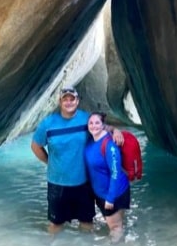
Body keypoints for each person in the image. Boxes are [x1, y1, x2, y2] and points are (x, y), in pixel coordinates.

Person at [31, 86, 122, 234]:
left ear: (77, 101)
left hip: (83, 183)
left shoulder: (86, 119)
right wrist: (49, 162)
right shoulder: (48, 123)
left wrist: (116, 130)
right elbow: (36, 146)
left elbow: (103, 128)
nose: (68, 102)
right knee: (56, 224)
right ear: (59, 102)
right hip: (57, 184)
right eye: (64, 99)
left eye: (71, 99)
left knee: (86, 222)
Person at [84, 112, 130, 243]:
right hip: (100, 193)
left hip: (114, 193)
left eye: (97, 123)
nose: (94, 126)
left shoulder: (109, 145)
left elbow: (115, 173)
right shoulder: (90, 141)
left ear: (103, 125)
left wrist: (110, 199)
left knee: (115, 228)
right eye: (91, 123)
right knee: (117, 224)